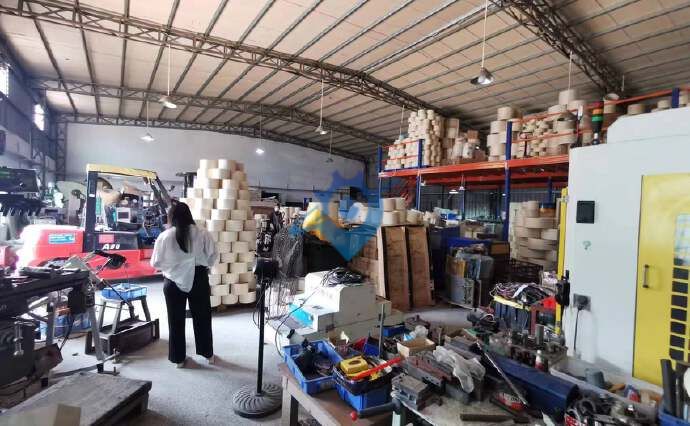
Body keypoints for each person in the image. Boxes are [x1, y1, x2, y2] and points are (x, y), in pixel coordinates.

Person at [150, 202, 218, 368]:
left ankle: (178, 359)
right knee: (202, 318)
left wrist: (172, 267)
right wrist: (200, 264)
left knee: (175, 321)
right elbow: (212, 256)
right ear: (189, 215)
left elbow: (155, 263)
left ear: (171, 217)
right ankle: (207, 354)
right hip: (198, 279)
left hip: (172, 282)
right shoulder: (203, 233)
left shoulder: (165, 236)